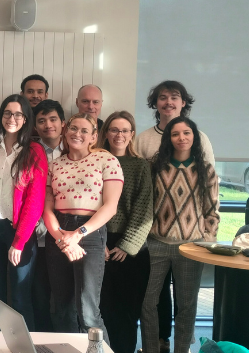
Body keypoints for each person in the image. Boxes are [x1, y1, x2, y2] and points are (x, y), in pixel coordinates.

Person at [133, 80, 215, 352]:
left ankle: (182, 349)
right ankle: (151, 349)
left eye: (186, 134)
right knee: (147, 302)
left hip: (191, 247)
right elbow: (144, 200)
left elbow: (212, 209)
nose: (181, 138)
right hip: (155, 243)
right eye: (175, 134)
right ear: (167, 138)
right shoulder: (155, 164)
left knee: (187, 304)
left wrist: (208, 241)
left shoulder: (206, 168)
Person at [42, 113, 123, 344]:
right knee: (61, 308)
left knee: (87, 310)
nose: (77, 134)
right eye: (73, 128)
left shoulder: (107, 161)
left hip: (90, 232)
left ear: (94, 137)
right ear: (65, 131)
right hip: (58, 231)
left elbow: (110, 207)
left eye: (84, 130)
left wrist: (78, 235)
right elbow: (47, 208)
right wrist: (62, 239)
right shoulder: (54, 164)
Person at [0, 95, 47, 331]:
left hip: (18, 231)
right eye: (7, 113)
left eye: (17, 114)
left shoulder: (34, 151)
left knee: (21, 294)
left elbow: (35, 201)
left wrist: (20, 242)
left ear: (26, 119)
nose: (11, 118)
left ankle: (25, 346)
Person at [97, 111, 153, 353]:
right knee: (101, 310)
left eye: (124, 130)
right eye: (114, 130)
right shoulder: (94, 162)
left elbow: (144, 207)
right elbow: (90, 204)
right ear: (106, 133)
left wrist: (127, 245)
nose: (119, 135)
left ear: (131, 135)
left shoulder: (141, 166)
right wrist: (96, 242)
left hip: (131, 248)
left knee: (128, 313)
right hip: (99, 241)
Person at [31, 99, 66, 333]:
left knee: (65, 298)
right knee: (39, 296)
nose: (48, 125)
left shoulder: (76, 149)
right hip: (36, 237)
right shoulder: (29, 151)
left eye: (53, 119)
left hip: (67, 236)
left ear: (63, 123)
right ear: (35, 126)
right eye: (41, 121)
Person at [134, 80, 215, 166]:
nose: (168, 102)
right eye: (163, 98)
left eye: (174, 98)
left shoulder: (199, 137)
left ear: (183, 103)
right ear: (156, 103)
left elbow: (209, 174)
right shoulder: (142, 139)